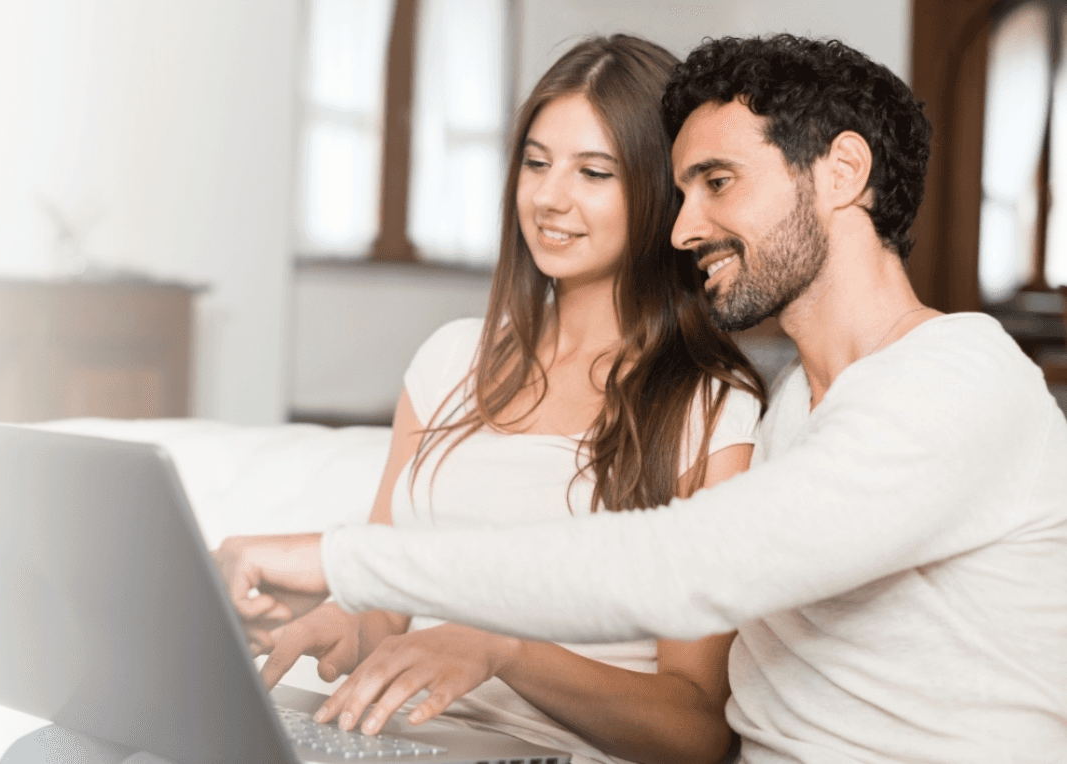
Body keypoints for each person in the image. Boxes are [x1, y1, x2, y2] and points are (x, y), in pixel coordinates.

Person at [217, 34, 1067, 762]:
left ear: (844, 170)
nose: (681, 227)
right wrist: (359, 618)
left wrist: (345, 562)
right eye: (681, 188)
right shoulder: (792, 411)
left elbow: (688, 565)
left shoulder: (959, 380)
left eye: (718, 183)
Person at [250, 35, 766, 764]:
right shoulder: (450, 359)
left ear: (658, 193)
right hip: (401, 741)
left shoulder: (709, 409)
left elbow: (696, 731)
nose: (549, 197)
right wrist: (335, 622)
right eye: (535, 162)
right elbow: (387, 611)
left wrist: (504, 649)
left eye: (593, 172)